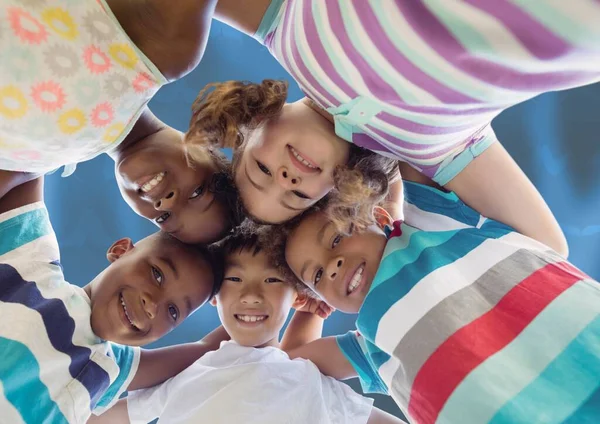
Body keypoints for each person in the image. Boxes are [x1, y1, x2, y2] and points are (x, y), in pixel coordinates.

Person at [186, 0, 600, 255]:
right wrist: (397, 223)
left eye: (261, 170)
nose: (286, 177)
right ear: (334, 193)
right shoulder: (426, 150)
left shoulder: (280, 22)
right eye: (295, 195)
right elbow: (546, 246)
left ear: (251, 126)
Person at [267, 168, 600, 424]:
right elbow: (292, 361)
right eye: (319, 274)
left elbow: (408, 154)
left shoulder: (431, 226)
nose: (333, 266)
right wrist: (313, 306)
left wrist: (391, 203)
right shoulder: (372, 343)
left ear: (380, 217)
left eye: (337, 239)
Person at [90, 228, 405, 424]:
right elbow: (95, 418)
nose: (251, 295)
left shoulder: (311, 380)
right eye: (234, 279)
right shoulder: (189, 376)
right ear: (214, 296)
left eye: (271, 280)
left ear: (297, 296)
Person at [0, 0, 237, 243]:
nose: (164, 202)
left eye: (164, 218)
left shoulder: (40, 162)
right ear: (206, 145)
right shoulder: (163, 51)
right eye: (197, 192)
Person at [0, 176, 229, 423]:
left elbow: (212, 348)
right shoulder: (33, 266)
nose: (152, 306)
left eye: (173, 311)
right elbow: (29, 162)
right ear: (120, 251)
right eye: (157, 275)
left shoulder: (108, 367)